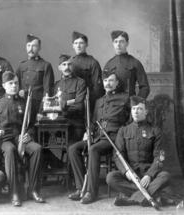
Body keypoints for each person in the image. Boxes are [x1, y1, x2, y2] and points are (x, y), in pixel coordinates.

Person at [68, 71, 130, 204]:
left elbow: (131, 121)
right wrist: (88, 132)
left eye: (111, 80)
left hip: (113, 138)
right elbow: (93, 121)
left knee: (93, 150)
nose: (108, 83)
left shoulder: (125, 98)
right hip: (97, 136)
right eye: (106, 80)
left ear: (117, 83)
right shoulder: (99, 101)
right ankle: (80, 188)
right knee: (73, 149)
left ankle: (91, 192)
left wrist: (124, 135)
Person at [0, 71, 45, 206]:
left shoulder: (24, 103)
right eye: (10, 83)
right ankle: (14, 192)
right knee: (10, 150)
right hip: (4, 140)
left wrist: (29, 134)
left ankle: (33, 190)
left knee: (37, 149)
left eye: (16, 83)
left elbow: (31, 124)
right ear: (4, 85)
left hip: (20, 138)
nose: (14, 86)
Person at [106, 96, 174, 207]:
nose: (136, 112)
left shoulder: (155, 130)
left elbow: (160, 157)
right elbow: (118, 155)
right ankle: (153, 195)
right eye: (133, 109)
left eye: (139, 109)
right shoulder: (123, 131)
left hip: (149, 173)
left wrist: (149, 175)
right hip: (131, 174)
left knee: (165, 175)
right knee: (111, 177)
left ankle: (132, 199)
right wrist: (126, 172)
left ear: (146, 111)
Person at [16, 34, 54, 125]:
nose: (30, 49)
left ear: (39, 47)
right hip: (22, 105)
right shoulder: (22, 66)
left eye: (34, 46)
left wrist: (41, 111)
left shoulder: (45, 65)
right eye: (28, 45)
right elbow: (15, 85)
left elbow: (48, 91)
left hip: (37, 106)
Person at [103, 30, 150, 99]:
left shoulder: (135, 63)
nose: (118, 44)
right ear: (113, 43)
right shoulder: (109, 64)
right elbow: (104, 88)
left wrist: (135, 103)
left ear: (127, 43)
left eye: (121, 41)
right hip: (112, 106)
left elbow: (145, 87)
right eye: (116, 41)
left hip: (128, 105)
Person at [54, 54, 86, 142]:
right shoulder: (56, 85)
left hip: (75, 125)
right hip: (59, 124)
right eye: (64, 65)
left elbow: (79, 105)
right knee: (46, 143)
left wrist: (63, 105)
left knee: (71, 148)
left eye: (69, 64)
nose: (67, 67)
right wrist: (70, 102)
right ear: (59, 67)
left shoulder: (80, 82)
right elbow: (54, 105)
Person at [70, 31, 104, 111]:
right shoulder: (69, 62)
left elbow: (98, 88)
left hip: (87, 102)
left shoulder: (93, 62)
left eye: (81, 43)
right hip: (71, 102)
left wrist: (91, 104)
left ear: (86, 45)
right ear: (73, 46)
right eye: (76, 43)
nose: (78, 46)